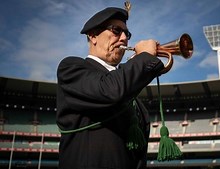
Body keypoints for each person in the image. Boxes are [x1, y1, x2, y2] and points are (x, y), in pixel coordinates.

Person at [56, 7, 164, 169]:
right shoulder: (71, 67)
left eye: (126, 34)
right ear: (93, 36)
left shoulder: (132, 94)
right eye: (116, 31)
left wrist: (140, 64)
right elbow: (110, 91)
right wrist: (143, 59)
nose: (124, 39)